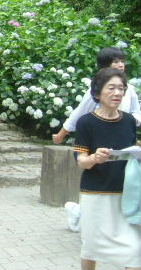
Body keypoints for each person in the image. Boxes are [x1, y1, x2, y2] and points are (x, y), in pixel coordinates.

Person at [52, 47, 141, 232]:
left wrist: (132, 123)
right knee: (101, 183)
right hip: (100, 138)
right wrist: (61, 134)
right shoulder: (97, 90)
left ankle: (82, 213)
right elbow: (79, 113)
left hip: (122, 135)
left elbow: (135, 110)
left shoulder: (129, 89)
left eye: (122, 61)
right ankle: (80, 213)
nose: (120, 64)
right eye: (115, 62)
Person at [73, 67, 141, 270]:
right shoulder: (86, 122)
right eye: (111, 88)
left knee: (134, 250)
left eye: (121, 88)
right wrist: (94, 157)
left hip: (126, 194)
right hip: (96, 194)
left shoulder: (129, 121)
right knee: (91, 247)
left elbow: (132, 151)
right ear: (97, 92)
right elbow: (81, 161)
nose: (117, 93)